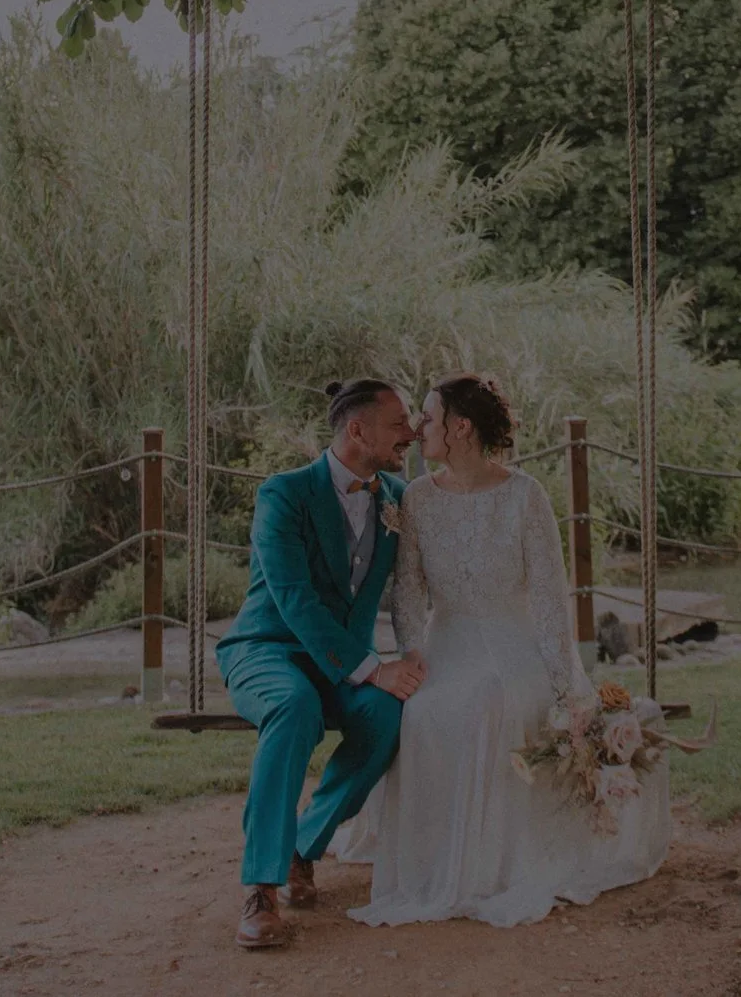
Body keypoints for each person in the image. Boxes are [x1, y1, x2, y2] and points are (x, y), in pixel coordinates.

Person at [335, 372, 671, 926]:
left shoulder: (525, 495)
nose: (418, 428)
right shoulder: (417, 497)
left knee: (491, 698)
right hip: (446, 641)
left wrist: (565, 684)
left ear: (461, 427)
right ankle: (435, 860)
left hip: (516, 641)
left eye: (429, 417)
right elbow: (409, 592)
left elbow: (548, 599)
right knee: (424, 707)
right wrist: (411, 655)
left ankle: (494, 866)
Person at [216, 377, 427, 951]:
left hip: (342, 665)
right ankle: (261, 888)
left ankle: (301, 848)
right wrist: (373, 667)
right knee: (293, 706)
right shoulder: (283, 494)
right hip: (269, 649)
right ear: (357, 430)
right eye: (399, 423)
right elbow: (295, 599)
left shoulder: (398, 497)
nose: (411, 433)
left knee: (386, 713)